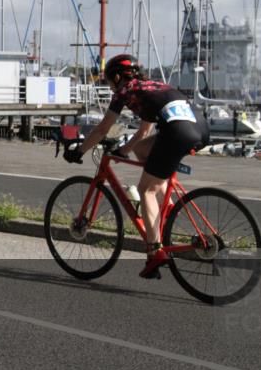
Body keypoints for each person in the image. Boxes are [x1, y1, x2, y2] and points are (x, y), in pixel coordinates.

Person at [63, 54, 210, 279]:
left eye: (109, 82)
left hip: (177, 133)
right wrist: (123, 151)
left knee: (145, 190)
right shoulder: (153, 87)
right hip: (199, 129)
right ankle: (167, 207)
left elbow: (103, 129)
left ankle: (155, 252)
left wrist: (79, 150)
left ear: (118, 77)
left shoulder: (125, 91)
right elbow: (143, 133)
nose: (110, 87)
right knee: (143, 150)